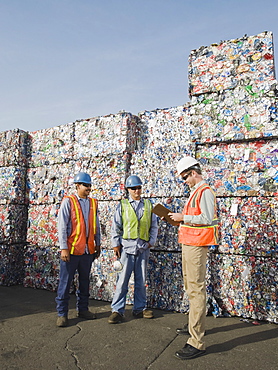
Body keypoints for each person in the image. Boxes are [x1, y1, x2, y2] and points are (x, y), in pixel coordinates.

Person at [168, 156, 218, 360]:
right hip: (189, 244)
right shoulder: (195, 192)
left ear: (194, 172)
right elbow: (195, 218)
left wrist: (183, 217)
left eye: (185, 177)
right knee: (190, 287)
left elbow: (206, 219)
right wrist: (178, 219)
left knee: (196, 291)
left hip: (197, 246)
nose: (184, 181)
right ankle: (193, 325)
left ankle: (197, 342)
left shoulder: (205, 191)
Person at [108, 175, 158, 324]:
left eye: (139, 188)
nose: (137, 191)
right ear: (128, 190)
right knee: (122, 280)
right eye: (133, 188)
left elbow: (154, 226)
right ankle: (117, 310)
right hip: (126, 248)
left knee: (141, 280)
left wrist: (151, 242)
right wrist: (115, 244)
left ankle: (140, 308)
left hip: (142, 248)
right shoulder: (122, 205)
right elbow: (116, 226)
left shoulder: (148, 205)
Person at [55, 172, 101, 327]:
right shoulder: (69, 202)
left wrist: (98, 244)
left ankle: (83, 309)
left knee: (84, 281)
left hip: (88, 251)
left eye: (89, 185)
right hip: (72, 251)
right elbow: (62, 226)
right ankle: (62, 313)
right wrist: (63, 248)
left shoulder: (93, 203)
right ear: (77, 186)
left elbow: (97, 226)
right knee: (65, 282)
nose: (89, 188)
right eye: (86, 185)